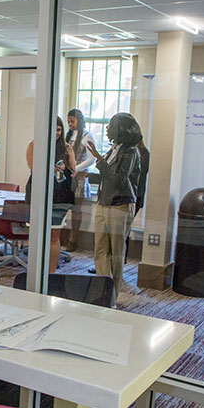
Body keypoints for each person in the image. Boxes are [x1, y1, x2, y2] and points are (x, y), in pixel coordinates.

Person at [85, 112, 141, 304]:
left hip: (120, 205)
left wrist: (98, 159)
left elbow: (119, 179)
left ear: (121, 129)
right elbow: (106, 177)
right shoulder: (114, 149)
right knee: (100, 251)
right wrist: (85, 175)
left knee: (116, 253)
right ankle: (103, 291)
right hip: (103, 203)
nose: (107, 129)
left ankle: (112, 297)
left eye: (111, 126)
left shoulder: (131, 152)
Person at [25, 116, 76, 272]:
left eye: (59, 129)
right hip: (38, 193)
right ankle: (36, 272)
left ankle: (50, 273)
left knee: (54, 236)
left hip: (60, 195)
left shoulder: (67, 148)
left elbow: (73, 170)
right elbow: (33, 168)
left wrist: (67, 163)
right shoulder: (34, 145)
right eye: (52, 129)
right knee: (36, 234)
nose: (56, 133)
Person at [63, 109, 97, 251]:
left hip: (79, 176)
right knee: (64, 207)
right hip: (66, 176)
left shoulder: (87, 135)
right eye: (68, 121)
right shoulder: (68, 135)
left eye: (73, 121)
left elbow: (92, 158)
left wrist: (76, 168)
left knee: (76, 210)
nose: (70, 124)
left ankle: (74, 239)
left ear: (80, 120)